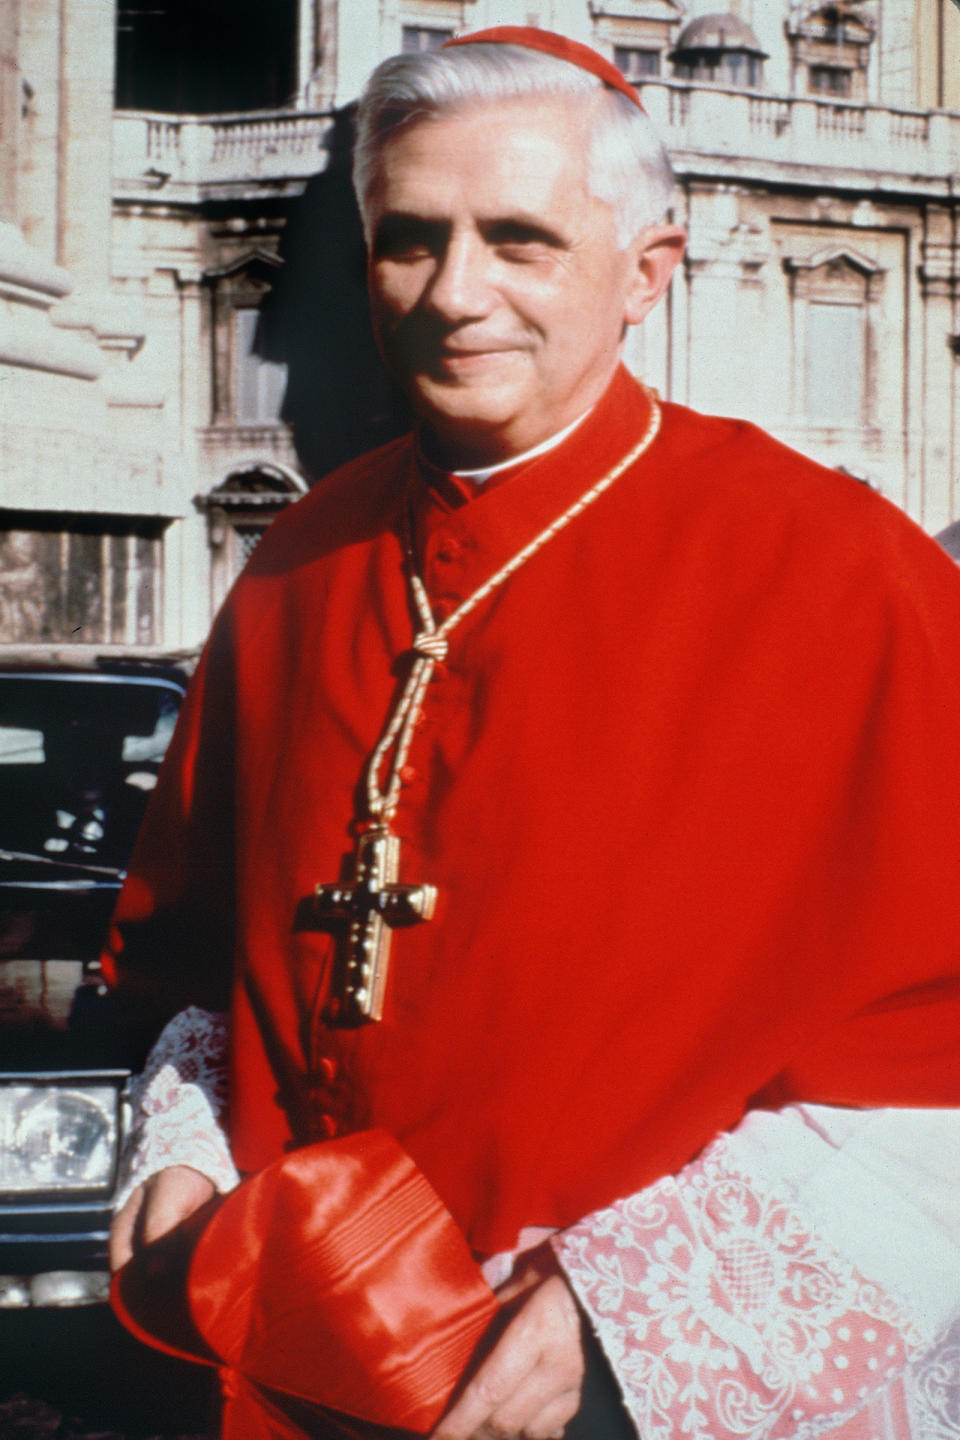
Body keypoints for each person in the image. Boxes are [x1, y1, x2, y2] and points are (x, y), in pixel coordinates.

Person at [105, 27, 960, 1440]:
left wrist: (629, 1313)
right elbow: (212, 970)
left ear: (648, 272)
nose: (457, 296)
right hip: (306, 1350)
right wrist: (187, 1151)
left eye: (521, 240)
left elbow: (940, 1065)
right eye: (409, 240)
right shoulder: (302, 558)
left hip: (628, 1393)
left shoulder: (842, 575)